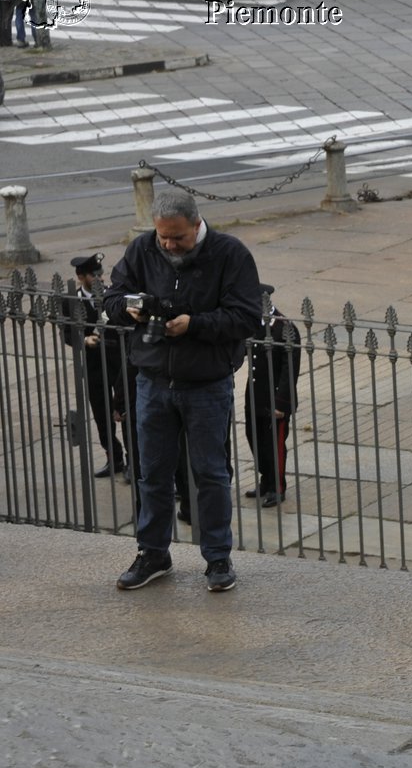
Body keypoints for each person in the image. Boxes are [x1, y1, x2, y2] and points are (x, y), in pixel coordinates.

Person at [103, 191, 263, 592]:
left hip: (207, 383)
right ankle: (153, 552)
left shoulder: (231, 254)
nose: (170, 246)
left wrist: (193, 324)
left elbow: (246, 317)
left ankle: (218, 558)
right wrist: (131, 308)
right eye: (163, 238)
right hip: (153, 380)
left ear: (197, 224)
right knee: (152, 473)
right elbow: (112, 297)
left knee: (210, 473)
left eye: (178, 238)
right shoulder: (142, 249)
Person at [60, 253, 130, 481]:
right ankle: (114, 457)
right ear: (81, 277)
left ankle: (133, 460)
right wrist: (84, 341)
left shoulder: (112, 295)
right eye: (94, 275)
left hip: (117, 361)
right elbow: (67, 333)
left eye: (100, 273)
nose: (99, 278)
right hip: (93, 364)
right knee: (101, 412)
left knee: (126, 409)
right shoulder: (71, 300)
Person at [244, 285, 301, 508]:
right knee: (254, 438)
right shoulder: (255, 326)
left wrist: (281, 403)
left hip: (275, 399)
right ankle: (265, 479)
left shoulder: (284, 328)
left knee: (274, 445)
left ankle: (277, 487)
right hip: (255, 395)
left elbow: (289, 371)